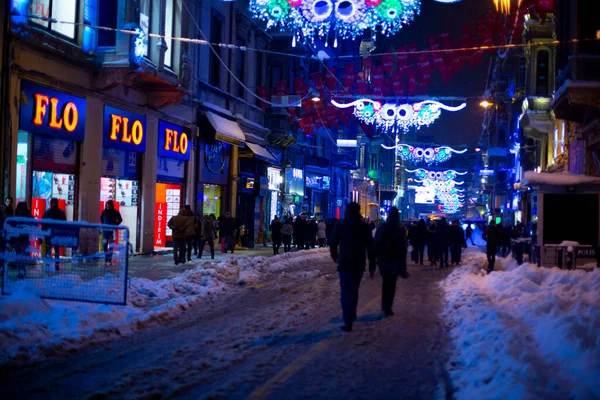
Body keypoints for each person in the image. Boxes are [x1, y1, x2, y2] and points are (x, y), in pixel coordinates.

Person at [330, 202, 376, 333]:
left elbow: (333, 243)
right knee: (354, 290)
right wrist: (372, 266)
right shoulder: (364, 227)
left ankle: (348, 319)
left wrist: (334, 256)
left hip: (344, 263)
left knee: (345, 291)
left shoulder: (340, 225)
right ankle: (352, 314)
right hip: (358, 263)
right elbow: (370, 248)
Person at [375, 207, 408, 317]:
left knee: (385, 282)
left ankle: (385, 305)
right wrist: (403, 267)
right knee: (392, 284)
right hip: (395, 260)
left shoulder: (382, 227)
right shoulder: (400, 229)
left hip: (383, 259)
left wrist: (375, 258)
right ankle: (388, 306)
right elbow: (403, 249)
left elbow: (376, 243)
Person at [42, 198, 67, 270]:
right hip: (55, 233)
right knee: (54, 250)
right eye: (53, 202)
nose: (53, 204)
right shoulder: (60, 212)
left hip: (51, 233)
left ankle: (50, 264)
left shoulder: (47, 212)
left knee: (51, 249)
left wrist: (43, 232)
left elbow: (44, 224)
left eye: (54, 202)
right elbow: (64, 223)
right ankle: (55, 264)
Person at [12, 202, 33, 279]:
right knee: (22, 254)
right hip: (23, 238)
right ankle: (22, 270)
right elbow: (34, 224)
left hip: (18, 238)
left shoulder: (15, 217)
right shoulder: (28, 216)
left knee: (19, 255)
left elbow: (11, 226)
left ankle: (21, 270)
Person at [100, 200, 123, 266]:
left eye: (109, 206)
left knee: (111, 246)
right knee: (104, 245)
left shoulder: (115, 212)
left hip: (112, 231)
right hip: (105, 231)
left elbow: (120, 219)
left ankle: (109, 259)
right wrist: (104, 224)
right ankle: (106, 259)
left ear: (111, 206)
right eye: (107, 206)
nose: (108, 207)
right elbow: (101, 218)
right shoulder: (104, 212)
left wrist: (115, 225)